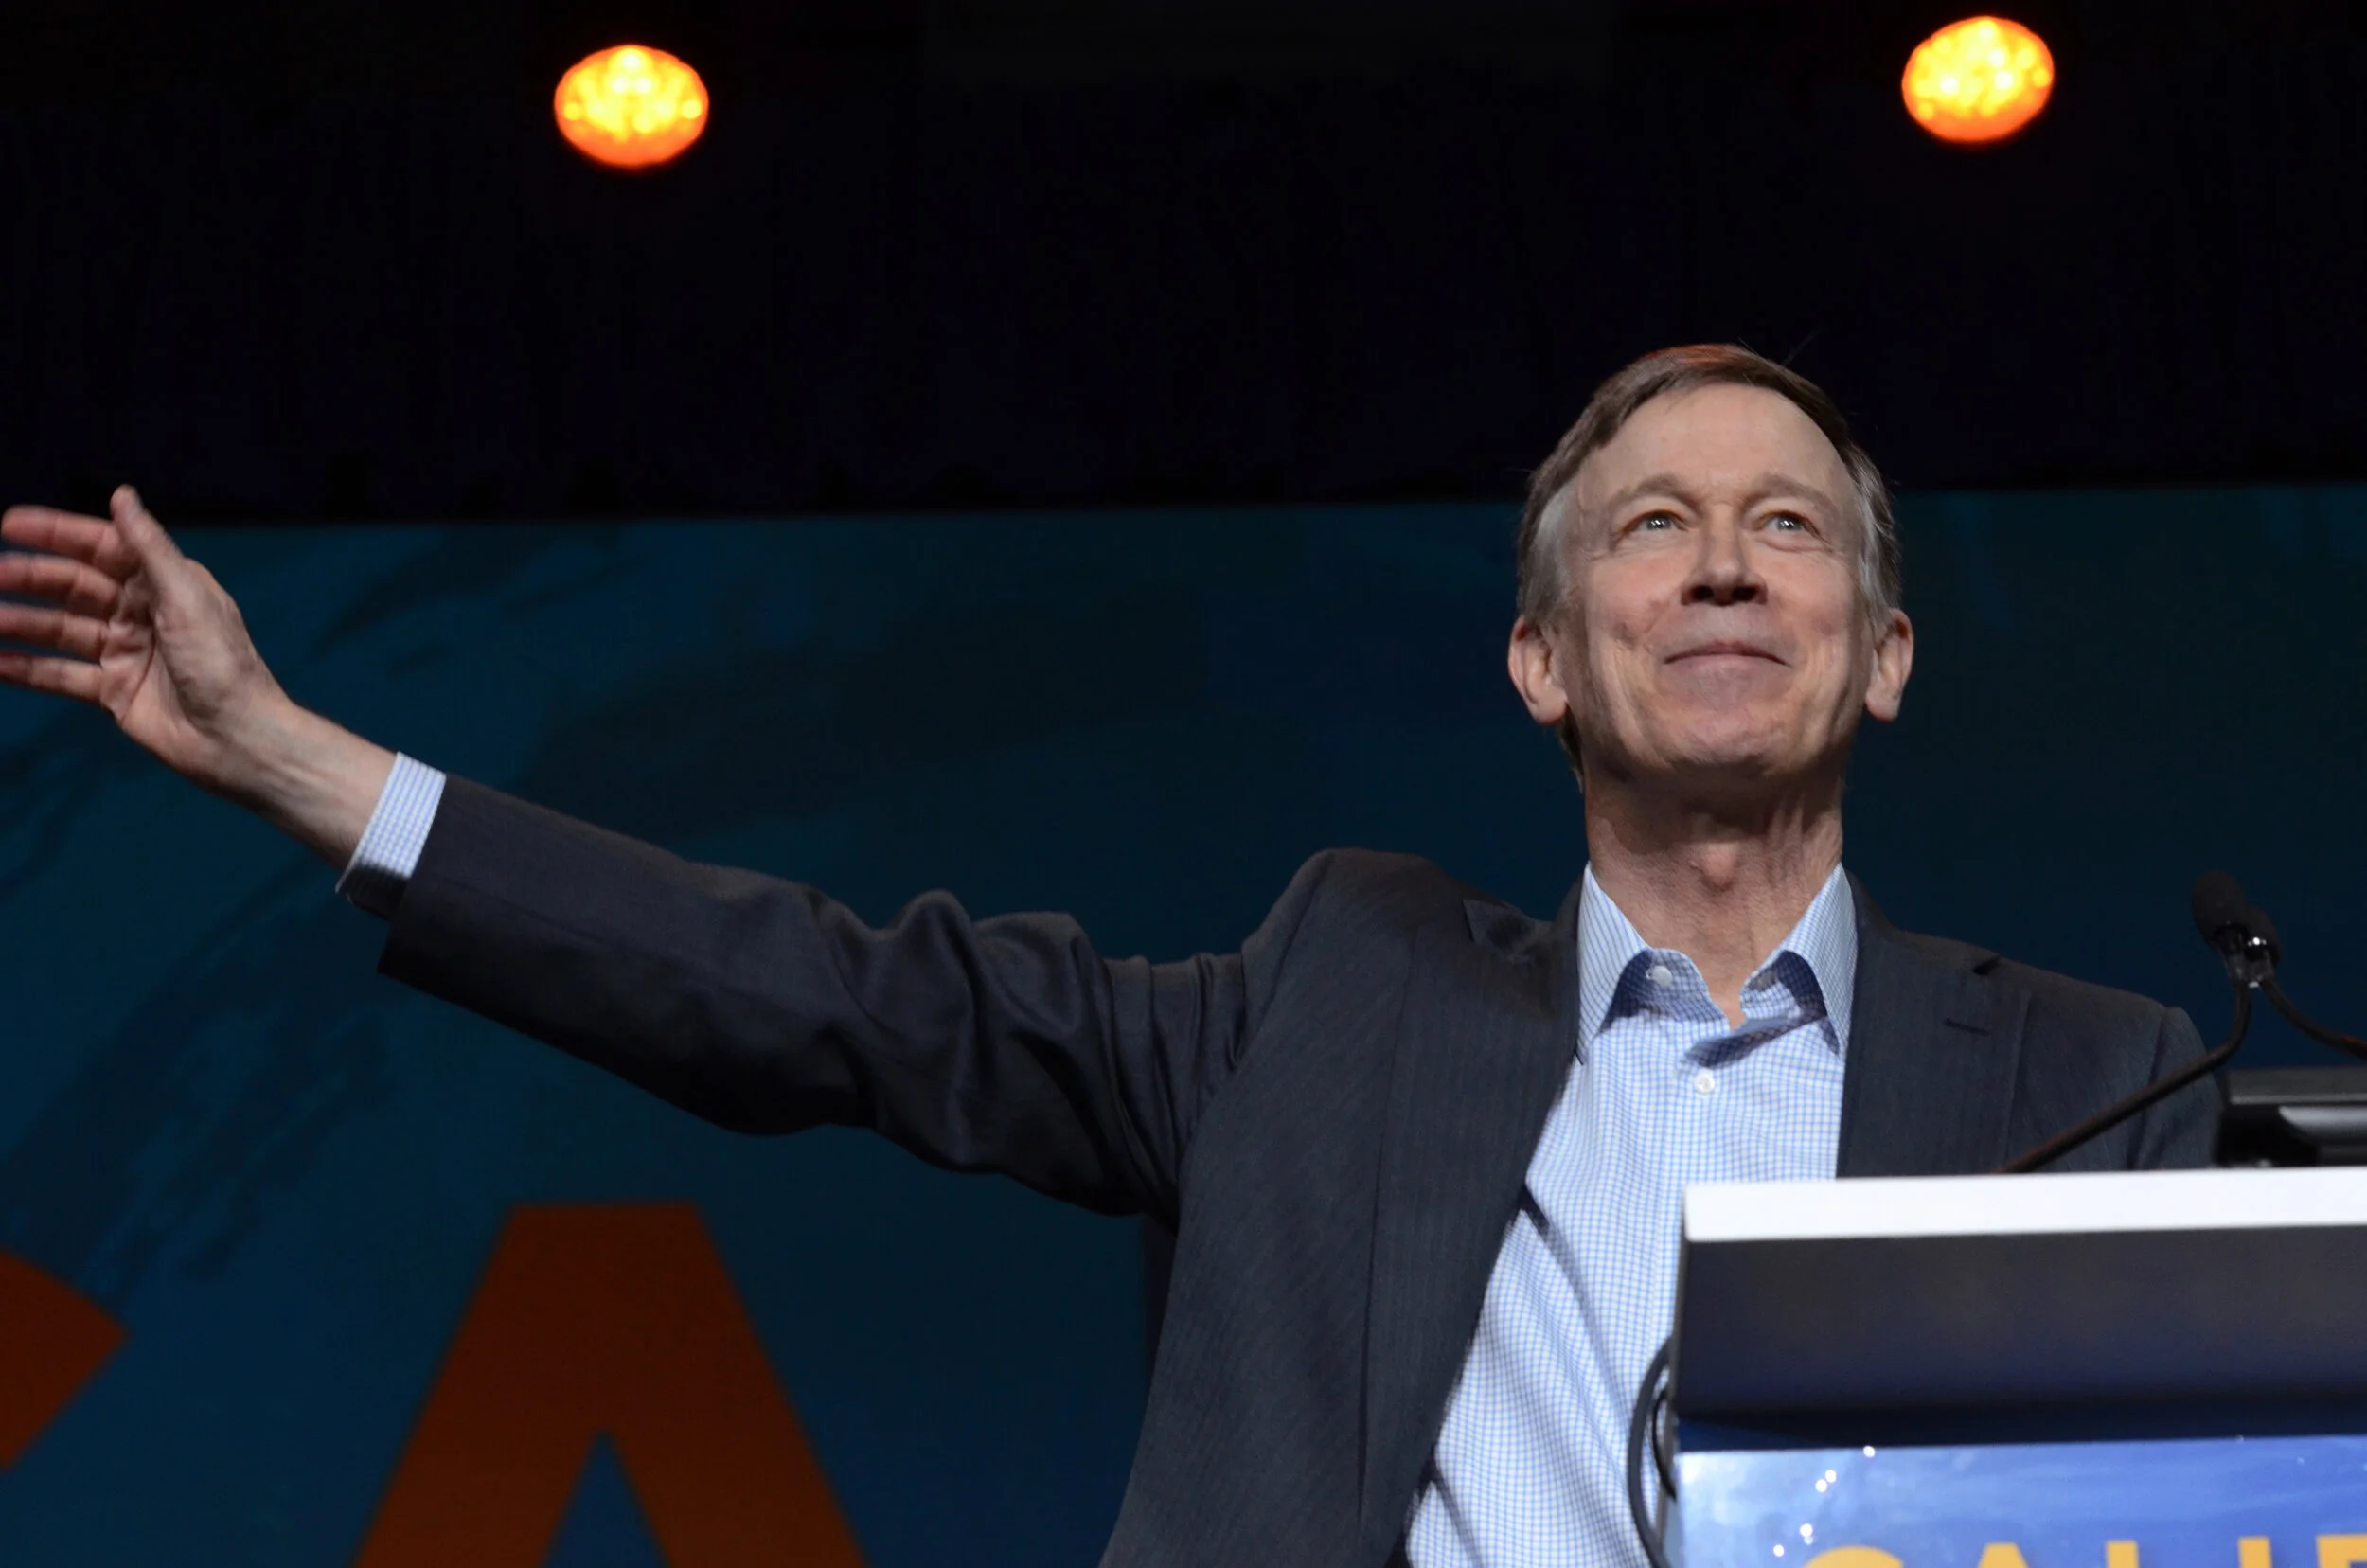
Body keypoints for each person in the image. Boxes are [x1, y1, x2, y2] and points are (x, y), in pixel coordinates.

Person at [0, 345, 2215, 1568]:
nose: (1722, 565)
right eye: (1653, 528)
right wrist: (310, 769)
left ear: (1887, 654)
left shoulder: (2096, 1088)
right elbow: (831, 994)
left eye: (1786, 529)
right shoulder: (1332, 997)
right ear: (1540, 661)